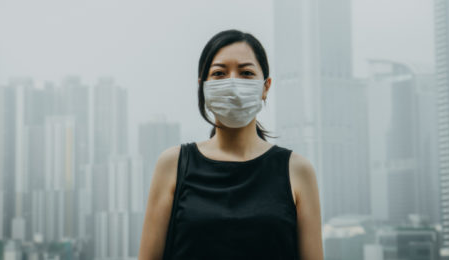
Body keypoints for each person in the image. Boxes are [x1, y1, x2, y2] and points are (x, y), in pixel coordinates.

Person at [138, 29, 323, 260]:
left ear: (266, 87)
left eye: (246, 73)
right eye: (219, 73)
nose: (233, 84)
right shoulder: (173, 164)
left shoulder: (297, 169)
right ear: (202, 86)